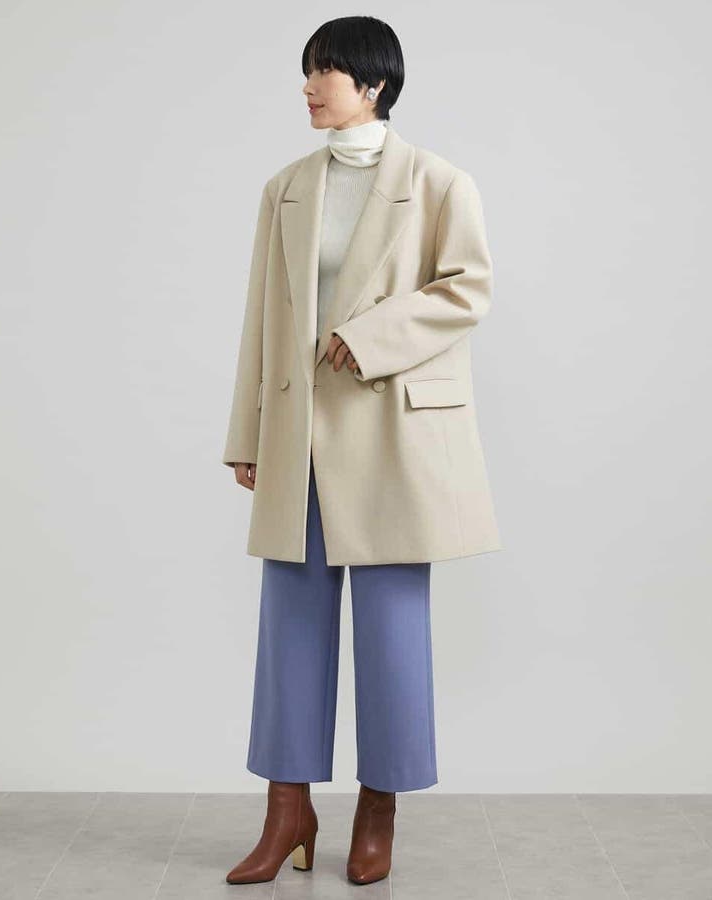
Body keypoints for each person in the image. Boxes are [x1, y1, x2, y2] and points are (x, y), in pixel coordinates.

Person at [222, 15, 501, 886]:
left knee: (391, 635)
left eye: (326, 72)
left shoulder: (439, 182)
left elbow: (468, 289)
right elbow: (262, 316)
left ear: (373, 84)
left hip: (392, 437)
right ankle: (287, 811)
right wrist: (246, 434)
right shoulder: (286, 188)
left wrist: (370, 336)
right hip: (299, 436)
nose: (309, 87)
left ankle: (378, 812)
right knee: (291, 628)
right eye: (307, 71)